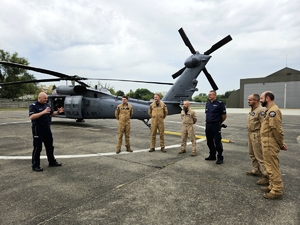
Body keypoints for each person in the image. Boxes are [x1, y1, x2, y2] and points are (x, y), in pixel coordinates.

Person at [259, 91, 288, 200]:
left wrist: (281, 144)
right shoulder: (269, 110)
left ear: (267, 98)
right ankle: (272, 185)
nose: (260, 100)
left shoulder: (274, 111)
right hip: (267, 142)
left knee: (272, 167)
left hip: (270, 143)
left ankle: (277, 190)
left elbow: (277, 130)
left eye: (261, 98)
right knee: (268, 166)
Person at [29, 92, 64, 172]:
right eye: (45, 98)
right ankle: (35, 165)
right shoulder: (33, 106)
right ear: (39, 98)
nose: (46, 100)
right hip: (38, 129)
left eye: (47, 98)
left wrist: (58, 112)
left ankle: (52, 161)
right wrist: (43, 112)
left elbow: (52, 114)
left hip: (47, 128)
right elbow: (32, 116)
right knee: (38, 147)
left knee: (50, 146)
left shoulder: (47, 105)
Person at [246, 94, 269, 186]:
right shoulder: (253, 110)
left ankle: (266, 176)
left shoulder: (261, 110)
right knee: (252, 154)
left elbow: (265, 125)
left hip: (257, 135)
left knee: (260, 156)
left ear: (256, 100)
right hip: (250, 134)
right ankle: (256, 169)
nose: (248, 101)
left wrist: (262, 137)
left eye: (250, 100)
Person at [204, 90, 227, 164]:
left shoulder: (219, 104)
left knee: (217, 141)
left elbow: (224, 115)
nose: (209, 96)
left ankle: (220, 157)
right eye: (209, 94)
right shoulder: (207, 104)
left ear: (215, 95)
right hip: (208, 124)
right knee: (209, 141)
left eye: (211, 94)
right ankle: (212, 155)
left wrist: (219, 122)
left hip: (215, 125)